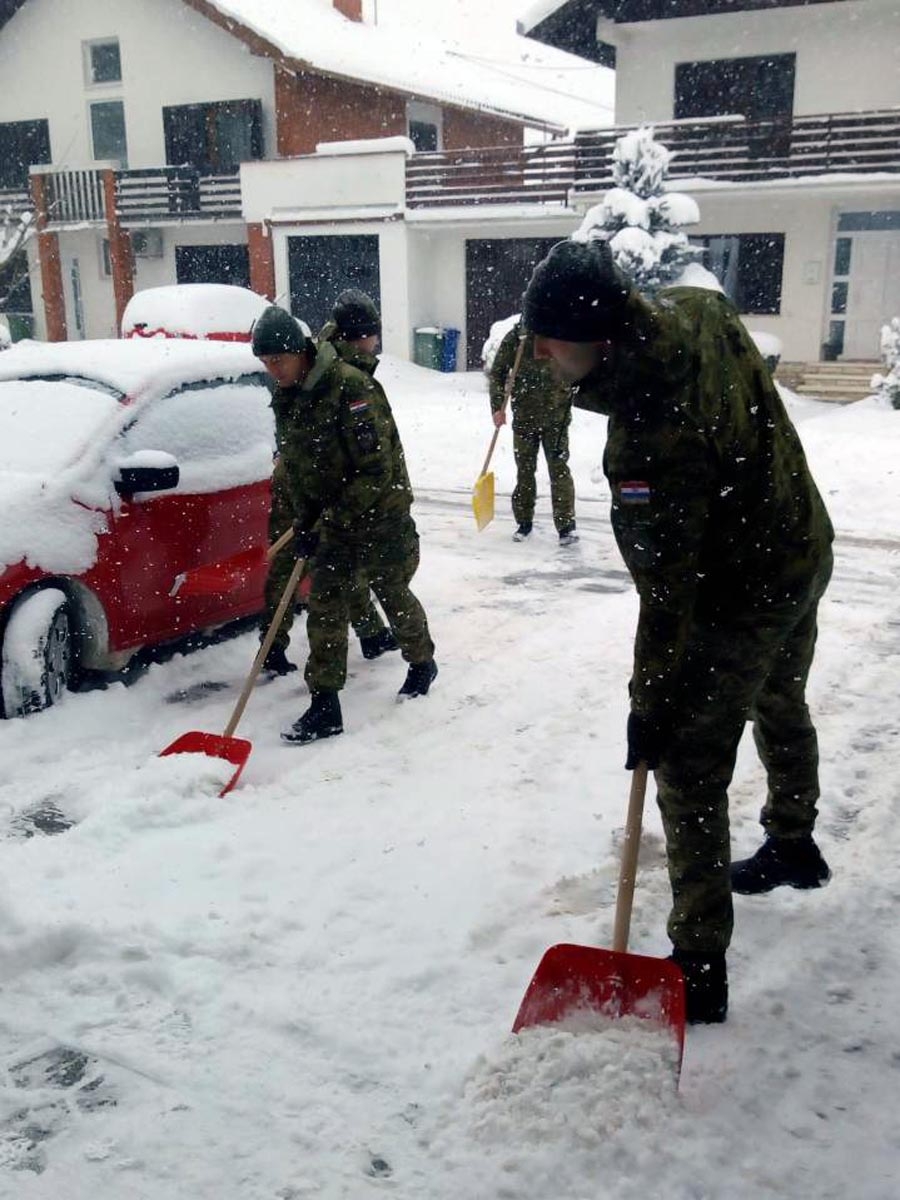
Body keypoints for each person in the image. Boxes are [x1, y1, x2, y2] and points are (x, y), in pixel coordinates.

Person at [522, 239, 834, 1024]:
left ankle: (699, 961)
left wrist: (650, 701)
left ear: (593, 340)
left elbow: (669, 596)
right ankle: (794, 838)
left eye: (548, 339)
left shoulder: (647, 437)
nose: (538, 352)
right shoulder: (697, 308)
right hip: (799, 539)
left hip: (745, 584)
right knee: (780, 692)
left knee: (690, 764)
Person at [251, 304, 436, 744]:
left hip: (379, 514)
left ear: (302, 352)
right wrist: (305, 520)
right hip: (331, 520)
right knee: (327, 607)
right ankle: (325, 705)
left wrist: (330, 517)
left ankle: (421, 660)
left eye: (279, 361)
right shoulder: (289, 396)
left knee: (391, 592)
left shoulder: (351, 389)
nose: (273, 370)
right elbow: (297, 466)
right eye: (265, 363)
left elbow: (377, 470)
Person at [489, 323, 577, 545]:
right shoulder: (518, 336)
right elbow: (498, 372)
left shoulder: (561, 332)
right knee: (525, 471)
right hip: (525, 417)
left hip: (556, 417)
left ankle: (566, 527)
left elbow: (579, 364)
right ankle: (524, 522)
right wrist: (497, 407)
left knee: (559, 470)